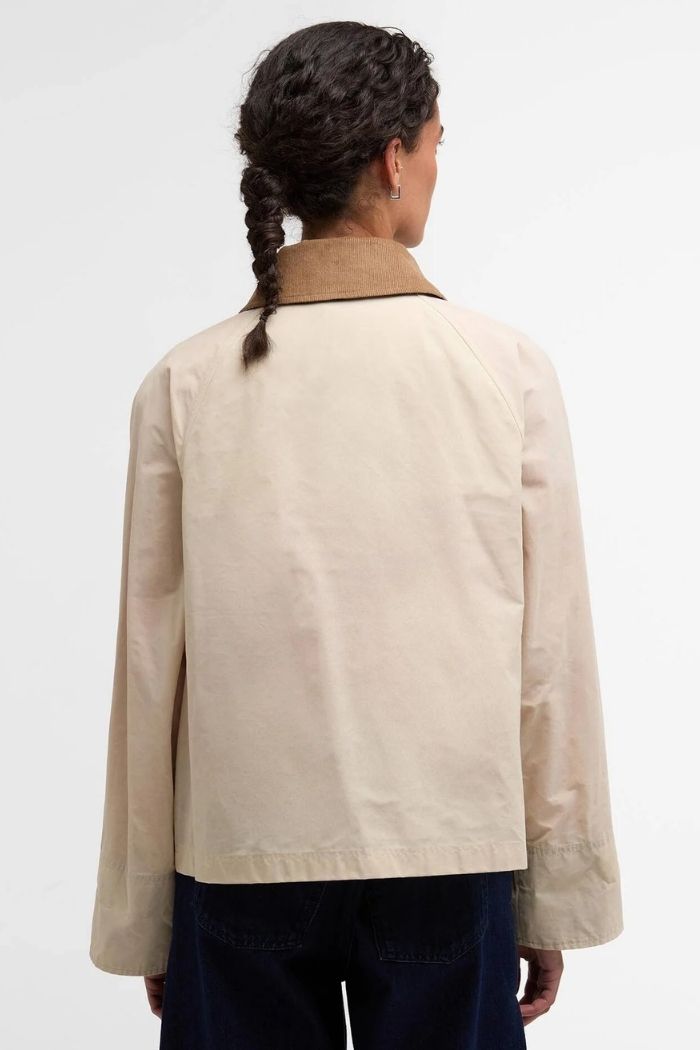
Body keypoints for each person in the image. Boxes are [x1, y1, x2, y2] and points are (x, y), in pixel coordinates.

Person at [89, 20, 623, 1049]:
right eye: (434, 143)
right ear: (393, 157)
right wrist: (551, 893)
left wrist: (147, 912)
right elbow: (548, 657)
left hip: (239, 855)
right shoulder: (504, 371)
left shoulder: (185, 383)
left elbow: (149, 671)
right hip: (449, 851)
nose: (435, 167)